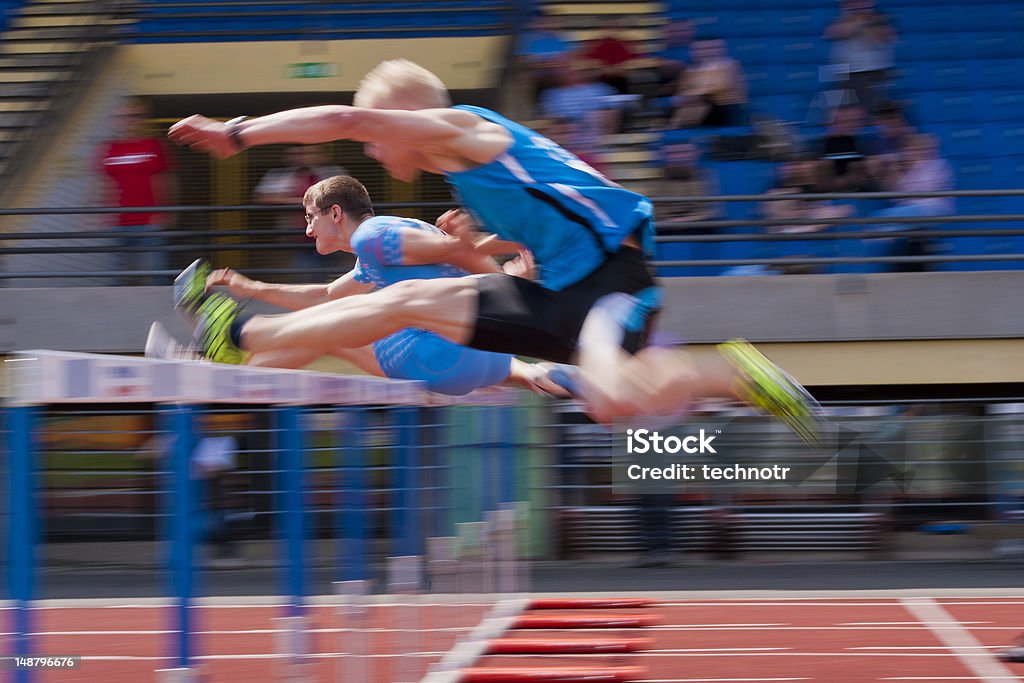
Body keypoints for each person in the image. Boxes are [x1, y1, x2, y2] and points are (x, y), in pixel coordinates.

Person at [167, 59, 821, 443]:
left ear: (405, 117)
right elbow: (552, 208)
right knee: (404, 301)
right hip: (558, 285)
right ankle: (239, 330)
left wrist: (236, 132)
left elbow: (348, 121)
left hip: (609, 280)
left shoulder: (465, 130)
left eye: (380, 136)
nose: (371, 151)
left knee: (612, 398)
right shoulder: (469, 174)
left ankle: (733, 372)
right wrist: (486, 244)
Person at [157, 175, 564, 397]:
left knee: (334, 332)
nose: (306, 226)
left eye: (310, 216)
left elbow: (456, 250)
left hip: (445, 355)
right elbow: (327, 294)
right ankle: (215, 364)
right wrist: (254, 286)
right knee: (337, 321)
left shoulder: (373, 235)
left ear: (335, 212)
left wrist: (499, 270)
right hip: (485, 361)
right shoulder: (380, 248)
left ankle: (217, 361)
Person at [99, 98, 175, 284]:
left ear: (141, 119)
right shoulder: (108, 148)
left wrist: (165, 210)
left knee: (157, 275)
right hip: (118, 222)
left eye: (134, 116)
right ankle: (120, 312)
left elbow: (164, 180)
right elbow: (103, 183)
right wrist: (98, 213)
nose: (129, 121)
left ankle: (161, 311)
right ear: (114, 120)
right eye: (123, 117)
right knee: (118, 278)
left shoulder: (153, 145)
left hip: (149, 221)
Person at [253, 145, 347, 281]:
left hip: (332, 234)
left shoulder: (333, 173)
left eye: (309, 153)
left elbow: (347, 196)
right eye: (297, 153)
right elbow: (262, 197)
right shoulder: (279, 176)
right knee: (303, 273)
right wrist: (301, 201)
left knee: (330, 273)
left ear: (320, 155)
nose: (303, 157)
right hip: (295, 236)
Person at [669, 37, 748, 129]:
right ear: (692, 52)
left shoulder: (730, 65)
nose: (708, 52)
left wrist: (693, 94)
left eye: (713, 48)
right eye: (702, 49)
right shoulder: (690, 71)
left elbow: (721, 86)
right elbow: (683, 91)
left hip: (726, 109)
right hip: (701, 109)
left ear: (722, 49)